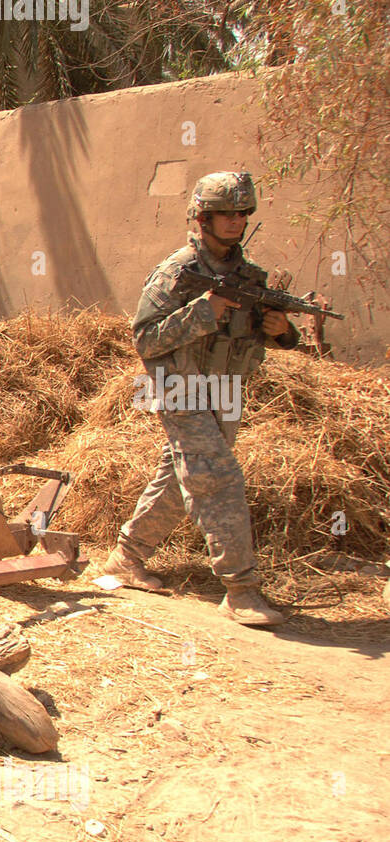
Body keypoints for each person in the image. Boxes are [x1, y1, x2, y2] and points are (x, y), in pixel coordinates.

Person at [100, 171, 299, 627]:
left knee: (181, 475)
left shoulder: (250, 275)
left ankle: (127, 558)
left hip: (227, 389)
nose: (235, 221)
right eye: (224, 213)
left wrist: (282, 332)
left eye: (242, 213)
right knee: (217, 476)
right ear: (202, 218)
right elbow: (145, 340)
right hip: (179, 388)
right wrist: (202, 312)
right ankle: (241, 588)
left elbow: (259, 335)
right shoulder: (178, 273)